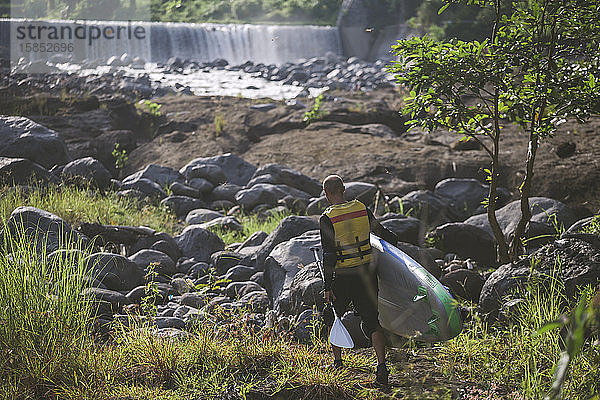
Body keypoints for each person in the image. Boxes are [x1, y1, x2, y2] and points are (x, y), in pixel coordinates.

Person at [319, 174, 399, 385]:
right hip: (367, 274)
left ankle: (337, 362)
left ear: (326, 194)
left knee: (332, 315)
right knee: (372, 320)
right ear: (344, 189)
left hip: (344, 276)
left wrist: (328, 286)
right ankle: (381, 367)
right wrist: (397, 245)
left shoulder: (327, 218)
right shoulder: (361, 209)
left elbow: (329, 255)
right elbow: (381, 232)